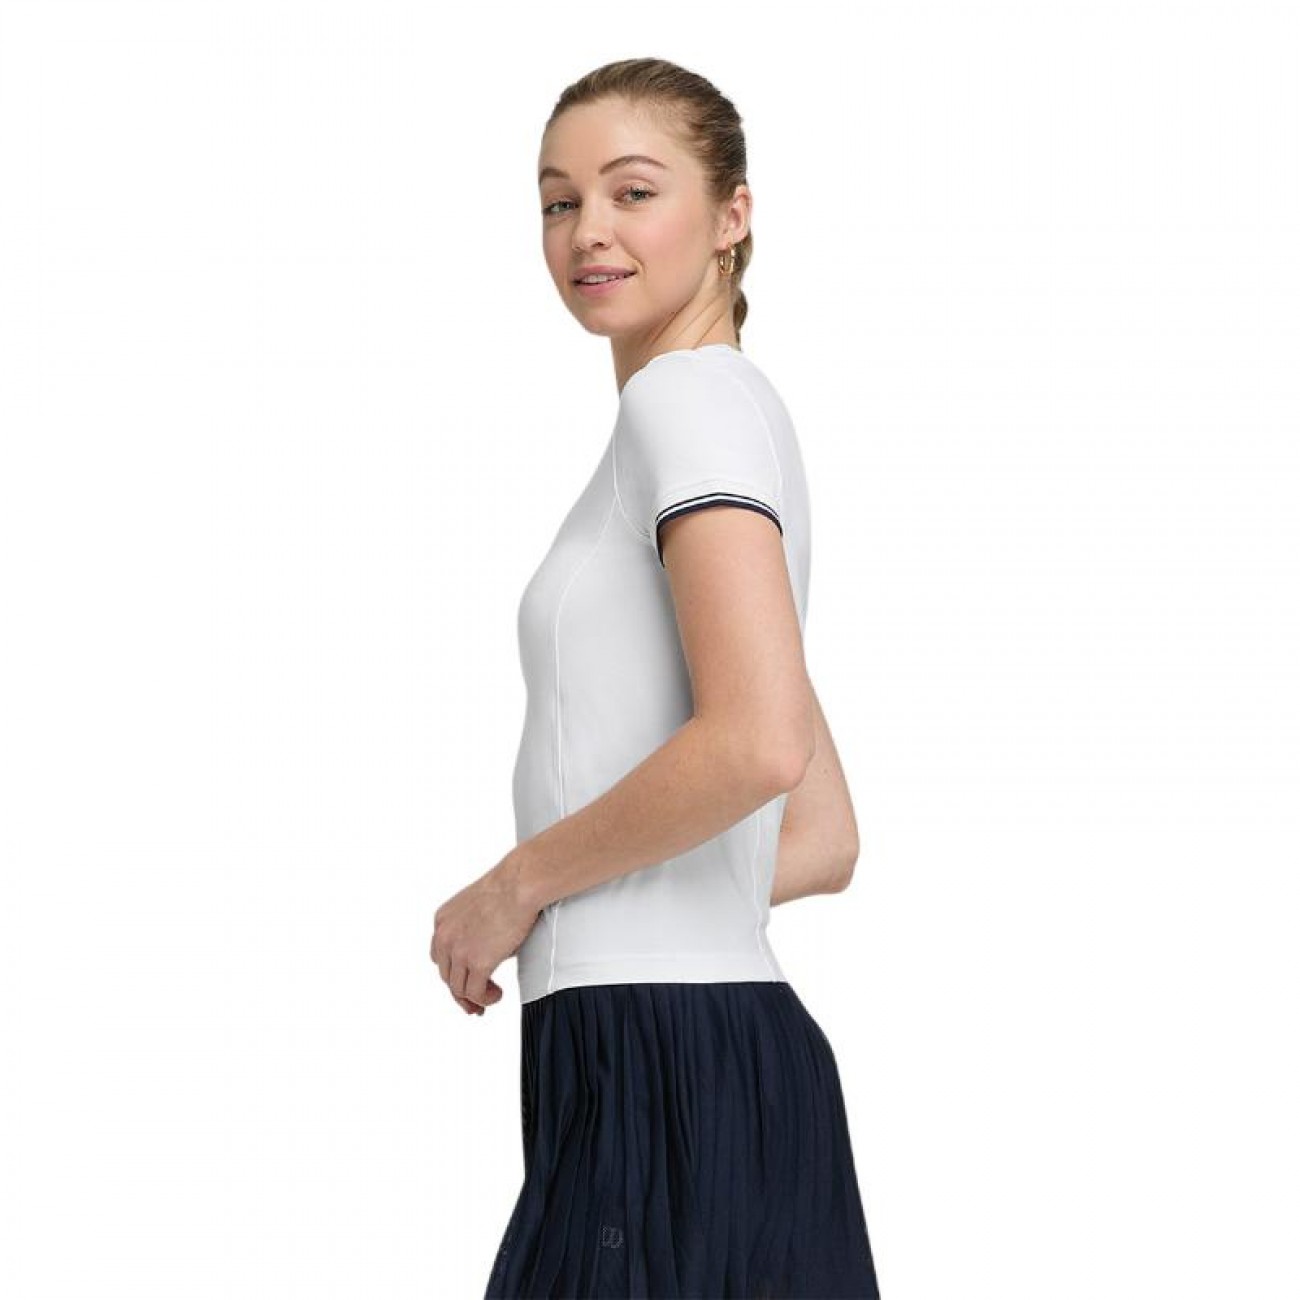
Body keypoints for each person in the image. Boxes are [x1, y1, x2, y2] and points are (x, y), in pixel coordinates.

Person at [430, 57, 883, 1299]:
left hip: (656, 1061)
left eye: (633, 192)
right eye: (559, 200)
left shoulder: (683, 404)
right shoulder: (729, 413)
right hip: (704, 1055)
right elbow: (823, 834)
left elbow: (756, 745)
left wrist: (515, 888)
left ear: (732, 214)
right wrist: (598, 908)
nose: (589, 230)